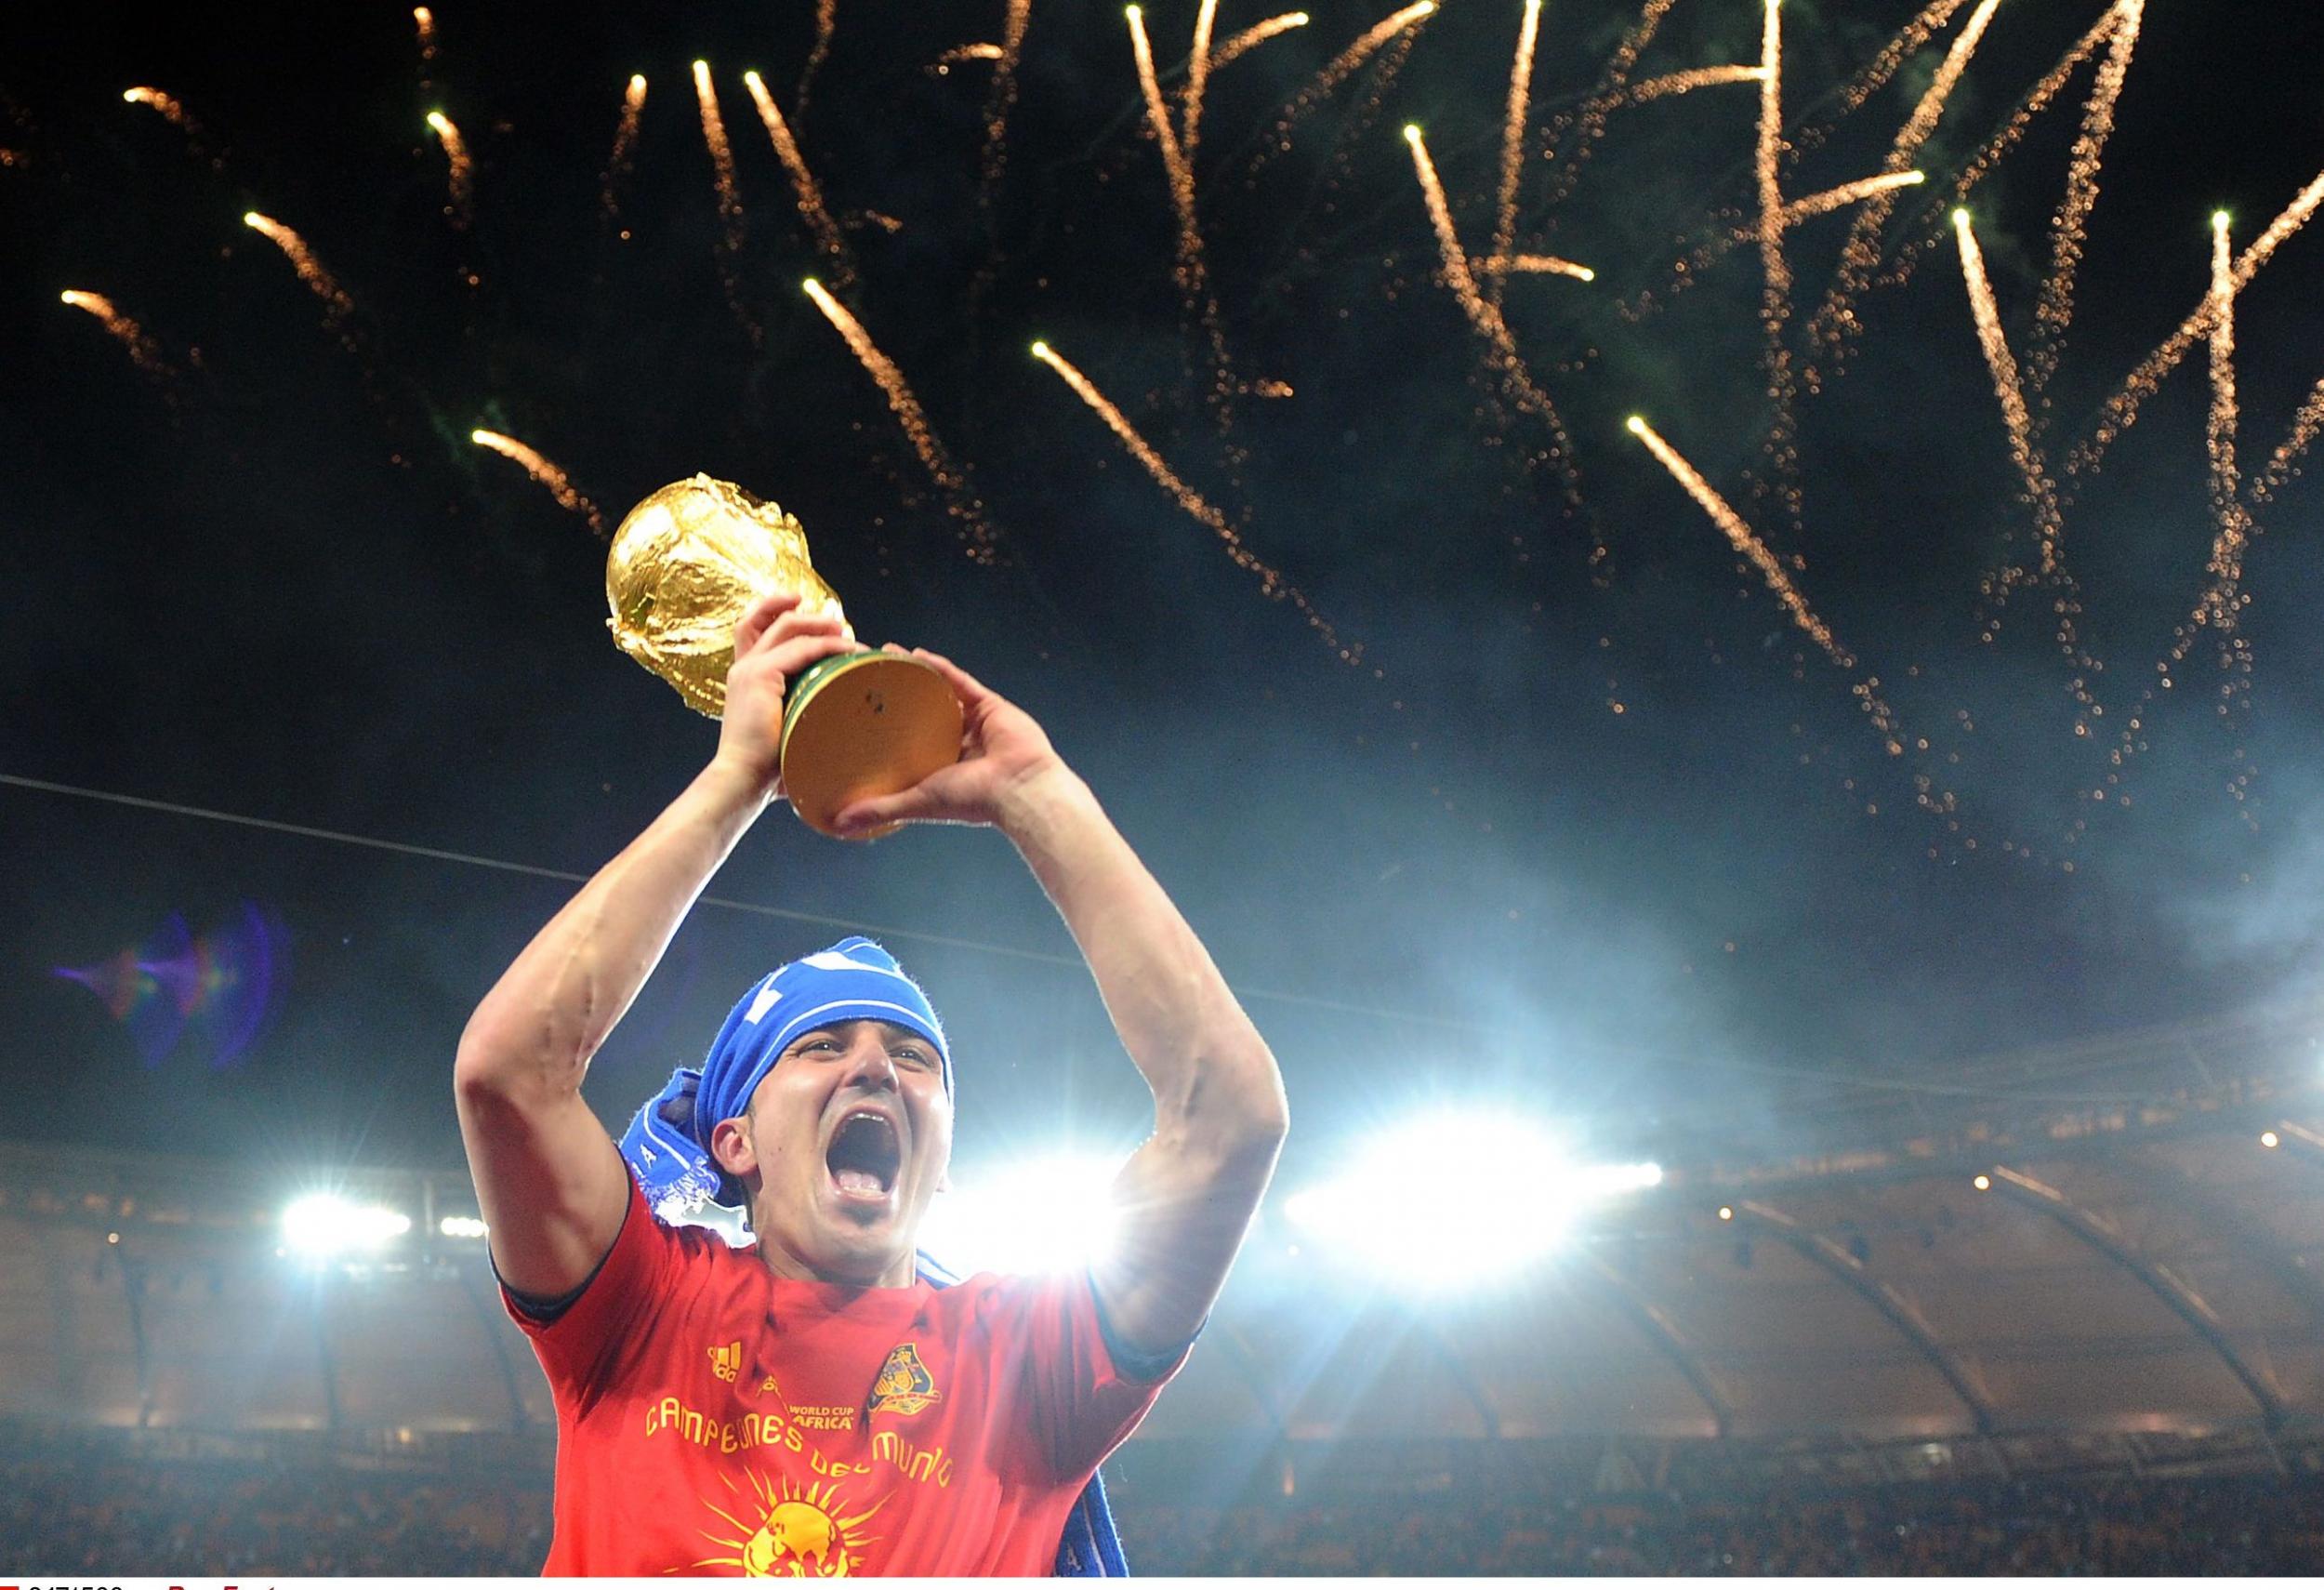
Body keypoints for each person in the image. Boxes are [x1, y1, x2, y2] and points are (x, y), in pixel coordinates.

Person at [453, 592, 1289, 1576]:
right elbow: (508, 1074)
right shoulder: (643, 1308)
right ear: (735, 1142)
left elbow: (1229, 1116)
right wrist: (735, 782)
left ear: (941, 1164)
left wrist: (1035, 791)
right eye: (817, 1048)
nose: (873, 1069)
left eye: (913, 1058)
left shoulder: (1023, 1364)